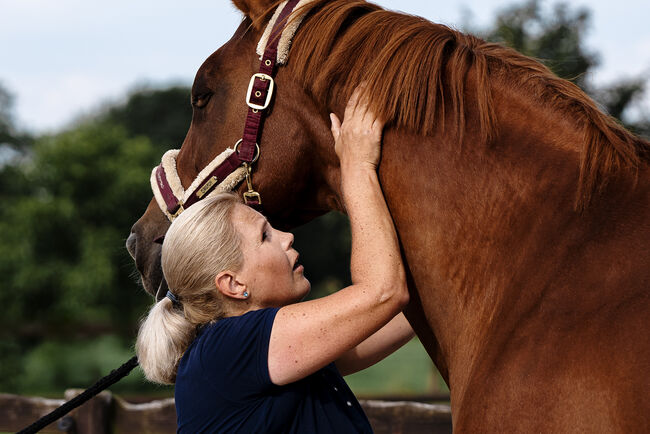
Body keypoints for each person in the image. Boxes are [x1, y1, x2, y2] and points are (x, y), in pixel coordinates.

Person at [135, 88, 414, 433]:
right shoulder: (230, 348)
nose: (287, 237)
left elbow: (403, 307)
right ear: (233, 284)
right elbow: (383, 293)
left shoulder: (259, 351)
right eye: (266, 235)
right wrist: (357, 166)